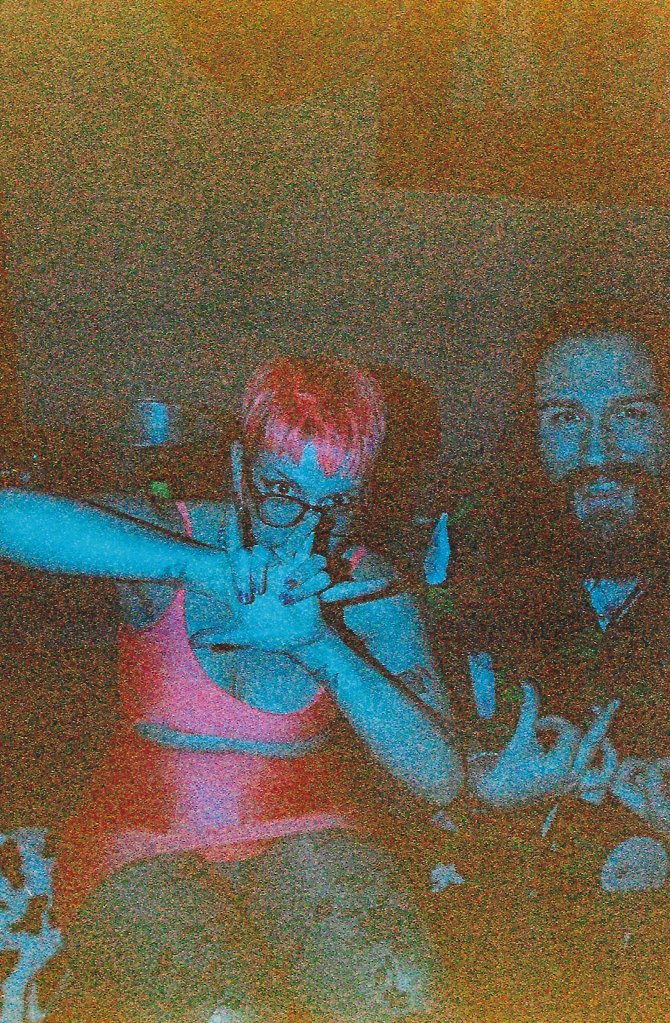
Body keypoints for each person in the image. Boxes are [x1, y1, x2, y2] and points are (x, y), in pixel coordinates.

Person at [0, 356, 462, 1023]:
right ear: (242, 471)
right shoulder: (175, 532)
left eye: (336, 504)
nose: (306, 531)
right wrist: (203, 569)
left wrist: (319, 646)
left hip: (305, 831)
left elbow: (440, 778)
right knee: (221, 1013)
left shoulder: (368, 587)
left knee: (398, 990)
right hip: (138, 837)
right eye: (282, 492)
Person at [424, 298, 670, 1021]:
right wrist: (478, 787)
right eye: (564, 418)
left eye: (630, 414)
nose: (597, 451)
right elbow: (421, 740)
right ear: (530, 435)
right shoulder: (471, 545)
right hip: (514, 876)